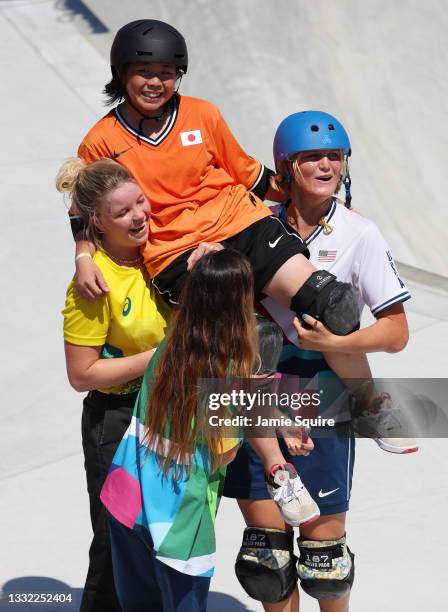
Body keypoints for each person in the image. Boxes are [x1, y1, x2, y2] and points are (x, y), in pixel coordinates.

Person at [224, 111, 413, 612]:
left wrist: (339, 341)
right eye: (312, 157)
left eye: (335, 156)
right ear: (285, 166)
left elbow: (396, 333)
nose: (326, 165)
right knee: (268, 563)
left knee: (323, 561)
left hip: (321, 388)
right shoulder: (250, 223)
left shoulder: (359, 233)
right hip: (253, 392)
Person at [73, 19, 360, 343]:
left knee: (333, 304)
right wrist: (84, 259)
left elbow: (251, 176)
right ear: (121, 72)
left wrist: (322, 202)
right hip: (177, 250)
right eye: (144, 72)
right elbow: (83, 213)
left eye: (166, 73)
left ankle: (357, 388)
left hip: (243, 225)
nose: (155, 83)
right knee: (253, 340)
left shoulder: (202, 115)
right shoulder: (100, 142)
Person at [99, 249, 257, 612]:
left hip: (127, 499)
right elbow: (225, 452)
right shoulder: (225, 371)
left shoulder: (167, 348)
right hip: (179, 521)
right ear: (241, 305)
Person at [58, 157, 175, 611]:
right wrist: (159, 358)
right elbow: (81, 374)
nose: (140, 215)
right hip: (118, 419)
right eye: (123, 212)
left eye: (141, 202)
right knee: (115, 542)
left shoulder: (165, 254)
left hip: (173, 411)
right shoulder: (92, 282)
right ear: (97, 225)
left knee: (168, 538)